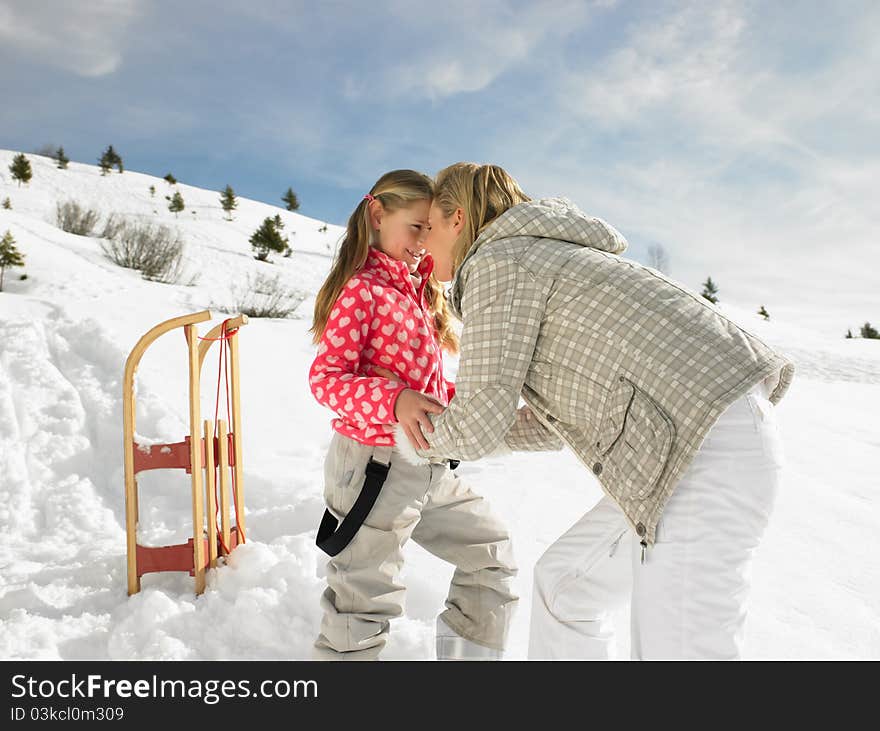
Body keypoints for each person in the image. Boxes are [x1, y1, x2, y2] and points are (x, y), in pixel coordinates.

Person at [393, 162, 795, 660]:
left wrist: (411, 430)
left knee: (680, 651)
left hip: (701, 451)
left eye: (428, 227)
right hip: (700, 444)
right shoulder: (546, 256)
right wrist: (466, 422)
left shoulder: (502, 260)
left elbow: (475, 428)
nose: (423, 244)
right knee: (566, 587)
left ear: (457, 220)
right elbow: (543, 426)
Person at [307, 169, 518, 660]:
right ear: (378, 215)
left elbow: (423, 384)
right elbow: (326, 379)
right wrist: (394, 400)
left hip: (427, 465)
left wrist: (457, 400)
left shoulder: (418, 293)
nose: (425, 242)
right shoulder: (363, 290)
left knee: (491, 555)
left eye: (432, 229)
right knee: (363, 601)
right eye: (415, 227)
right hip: (373, 468)